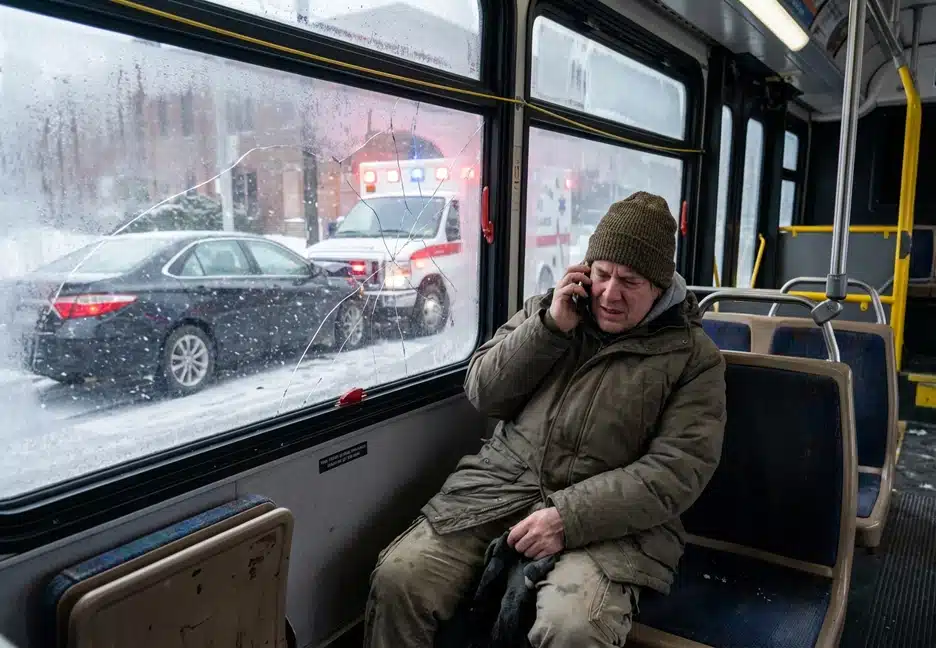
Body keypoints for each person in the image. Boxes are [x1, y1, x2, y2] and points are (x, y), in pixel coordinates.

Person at [363, 191, 727, 647]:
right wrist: (550, 328)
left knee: (572, 628)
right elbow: (483, 392)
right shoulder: (552, 311)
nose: (610, 294)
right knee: (400, 579)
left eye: (630, 281)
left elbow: (677, 471)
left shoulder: (693, 358)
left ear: (660, 286)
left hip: (612, 520)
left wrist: (568, 516)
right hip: (502, 488)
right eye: (603, 275)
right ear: (585, 272)